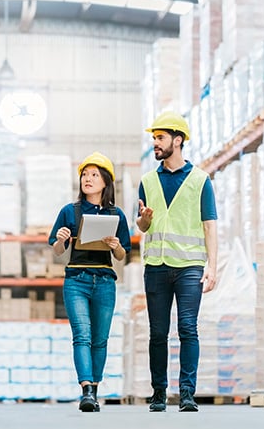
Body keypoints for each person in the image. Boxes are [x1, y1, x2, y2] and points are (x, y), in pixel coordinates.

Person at [136, 111, 218, 412]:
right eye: (154, 138)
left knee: (187, 328)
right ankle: (159, 392)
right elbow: (142, 227)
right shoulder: (146, 181)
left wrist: (212, 266)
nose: (155, 143)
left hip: (189, 267)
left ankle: (186, 393)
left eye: (160, 138)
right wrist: (143, 221)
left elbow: (210, 225)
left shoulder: (200, 180)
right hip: (156, 267)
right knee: (158, 332)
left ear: (178, 140)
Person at [49, 152, 131, 412]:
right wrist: (61, 239)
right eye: (85, 174)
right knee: (82, 336)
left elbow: (122, 255)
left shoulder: (115, 214)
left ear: (106, 182)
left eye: (94, 174)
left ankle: (94, 390)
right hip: (77, 281)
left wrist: (116, 245)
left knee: (100, 340)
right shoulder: (69, 211)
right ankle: (85, 390)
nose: (88, 178)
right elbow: (57, 250)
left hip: (105, 281)